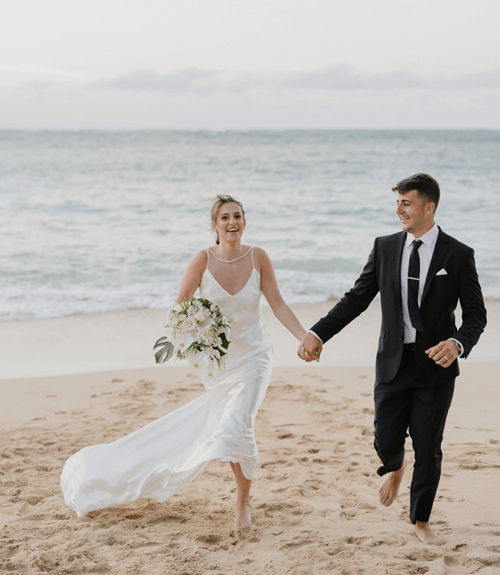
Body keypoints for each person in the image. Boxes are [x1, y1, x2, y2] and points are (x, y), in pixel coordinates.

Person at [61, 194, 308, 532]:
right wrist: (197, 340)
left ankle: (242, 504)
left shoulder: (259, 257)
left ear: (245, 221)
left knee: (238, 423)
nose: (232, 222)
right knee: (230, 428)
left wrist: (305, 336)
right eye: (225, 217)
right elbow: (179, 307)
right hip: (219, 365)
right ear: (214, 225)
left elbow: (277, 304)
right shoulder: (203, 260)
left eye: (238, 216)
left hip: (255, 357)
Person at [298, 173, 486, 546]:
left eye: (406, 202)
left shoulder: (458, 254)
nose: (398, 209)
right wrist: (318, 333)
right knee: (385, 441)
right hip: (392, 363)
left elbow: (476, 315)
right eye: (397, 202)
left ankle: (421, 521)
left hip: (436, 367)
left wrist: (457, 343)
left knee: (428, 444)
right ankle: (396, 467)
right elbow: (357, 298)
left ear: (428, 207)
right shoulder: (384, 247)